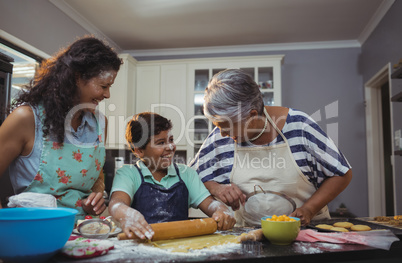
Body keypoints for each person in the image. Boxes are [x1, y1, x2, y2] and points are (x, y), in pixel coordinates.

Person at [189, 69, 352, 226]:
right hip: (248, 238)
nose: (222, 133)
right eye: (218, 126)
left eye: (227, 126)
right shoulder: (219, 138)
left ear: (252, 116)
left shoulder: (300, 127)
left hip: (306, 233)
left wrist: (309, 209)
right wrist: (215, 187)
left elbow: (341, 173)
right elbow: (190, 178)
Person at [0, 36, 122, 221]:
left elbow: (96, 179)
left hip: (83, 230)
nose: (107, 94)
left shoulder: (100, 124)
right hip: (35, 230)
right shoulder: (26, 119)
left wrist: (95, 198)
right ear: (76, 77)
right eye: (103, 86)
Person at [108, 112, 236, 240]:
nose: (170, 147)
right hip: (142, 247)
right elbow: (116, 203)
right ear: (139, 151)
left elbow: (210, 205)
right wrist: (126, 213)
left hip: (180, 249)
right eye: (160, 142)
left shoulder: (187, 174)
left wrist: (220, 210)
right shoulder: (128, 173)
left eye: (171, 140)